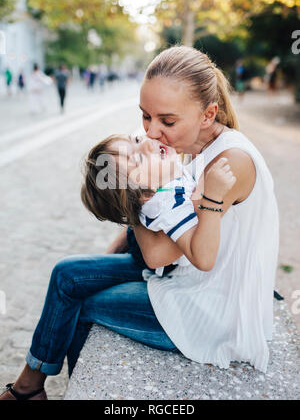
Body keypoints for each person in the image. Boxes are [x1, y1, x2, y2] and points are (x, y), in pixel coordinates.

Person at [0, 46, 279, 401]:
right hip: (182, 278)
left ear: (208, 114)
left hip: (210, 308)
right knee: (68, 274)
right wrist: (139, 191)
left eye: (166, 120)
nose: (150, 131)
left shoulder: (229, 163)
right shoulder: (182, 143)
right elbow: (155, 223)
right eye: (145, 116)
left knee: (83, 307)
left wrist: (137, 194)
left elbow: (157, 255)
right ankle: (28, 389)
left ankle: (49, 392)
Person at [80, 134, 236, 277]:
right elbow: (204, 259)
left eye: (136, 140)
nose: (147, 143)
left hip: (137, 234)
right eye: (139, 159)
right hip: (145, 254)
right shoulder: (172, 207)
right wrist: (213, 196)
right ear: (148, 195)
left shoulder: (163, 176)